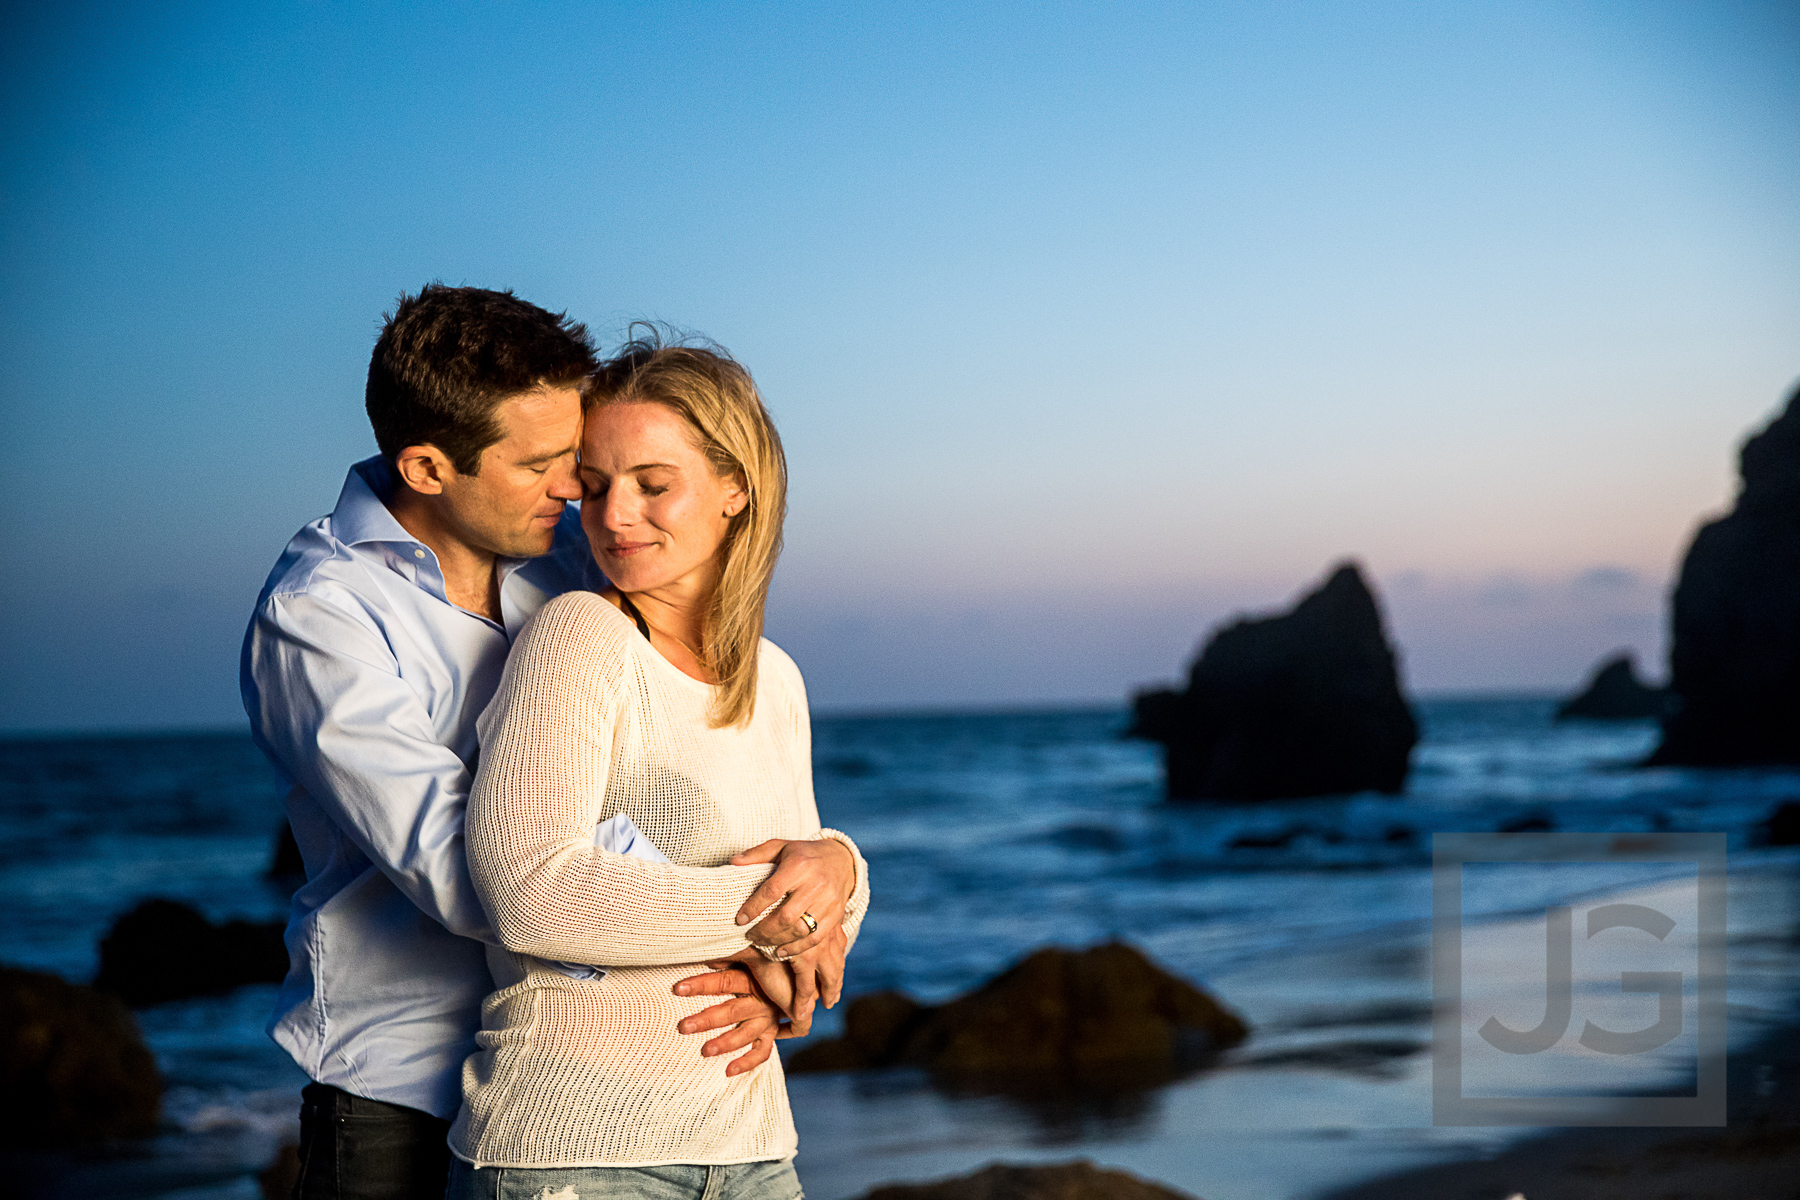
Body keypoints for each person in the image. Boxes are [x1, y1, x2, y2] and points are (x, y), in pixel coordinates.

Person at [241, 288, 858, 1199]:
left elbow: (700, 769)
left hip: (615, 1075)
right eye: (545, 465)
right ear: (426, 467)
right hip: (402, 1090)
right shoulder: (320, 620)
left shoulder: (564, 550)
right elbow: (484, 880)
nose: (580, 493)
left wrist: (832, 872)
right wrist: (773, 927)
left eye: (577, 459)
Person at [445, 339, 866, 1199]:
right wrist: (777, 925)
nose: (612, 516)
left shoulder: (775, 676)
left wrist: (843, 869)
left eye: (651, 483)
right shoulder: (580, 635)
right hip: (577, 1149)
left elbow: (811, 881)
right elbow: (531, 891)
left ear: (735, 487)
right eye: (593, 488)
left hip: (753, 1145)